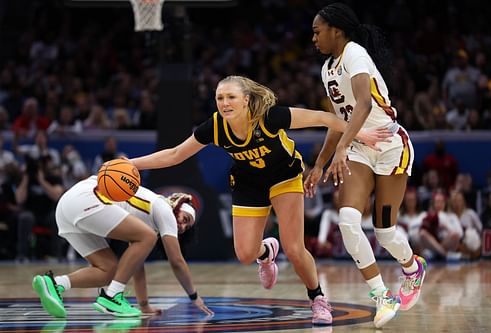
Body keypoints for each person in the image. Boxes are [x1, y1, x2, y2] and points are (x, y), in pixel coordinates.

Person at [129, 75, 391, 325]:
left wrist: (359, 134)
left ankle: (318, 299)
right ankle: (266, 253)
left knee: (295, 249)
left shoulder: (270, 117)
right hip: (248, 182)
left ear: (246, 100)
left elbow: (324, 117)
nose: (224, 103)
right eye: (219, 98)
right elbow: (175, 154)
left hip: (283, 176)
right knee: (244, 254)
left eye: (231, 97)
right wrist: (131, 164)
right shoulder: (215, 126)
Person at [304, 3, 427, 328]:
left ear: (336, 31)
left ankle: (413, 268)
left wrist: (342, 147)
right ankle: (381, 295)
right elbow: (337, 120)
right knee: (347, 220)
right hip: (358, 147)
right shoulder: (327, 69)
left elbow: (364, 103)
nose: (313, 38)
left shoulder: (355, 53)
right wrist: (319, 164)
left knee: (385, 232)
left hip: (389, 145)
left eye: (318, 31)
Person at [32, 175, 213, 318]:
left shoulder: (147, 221)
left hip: (67, 206)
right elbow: (177, 262)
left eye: (186, 228)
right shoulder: (164, 209)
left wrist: (144, 305)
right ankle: (112, 297)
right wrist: (194, 297)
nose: (181, 226)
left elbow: (136, 265)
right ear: (178, 206)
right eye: (185, 219)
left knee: (108, 270)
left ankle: (54, 284)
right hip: (86, 198)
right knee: (147, 237)